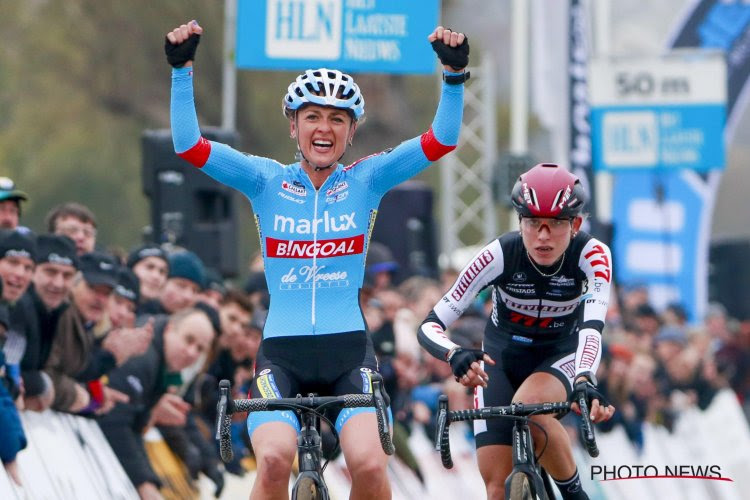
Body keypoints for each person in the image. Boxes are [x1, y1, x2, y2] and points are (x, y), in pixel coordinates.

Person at [167, 19, 468, 499]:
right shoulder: (266, 181)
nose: (324, 128)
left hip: (348, 351)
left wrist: (454, 79)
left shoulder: (367, 180)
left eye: (337, 119)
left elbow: (441, 140)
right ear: (294, 125)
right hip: (281, 352)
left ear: (351, 132)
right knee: (271, 459)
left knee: (370, 464)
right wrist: (182, 70)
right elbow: (188, 145)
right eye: (313, 116)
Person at [417, 164, 616, 500]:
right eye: (532, 223)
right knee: (496, 488)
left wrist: (584, 377)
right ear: (519, 223)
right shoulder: (499, 254)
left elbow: (592, 327)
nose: (543, 236)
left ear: (576, 224)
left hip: (559, 355)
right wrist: (455, 354)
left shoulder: (593, 254)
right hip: (502, 358)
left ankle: (575, 495)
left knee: (529, 405)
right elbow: (429, 324)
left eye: (555, 224)